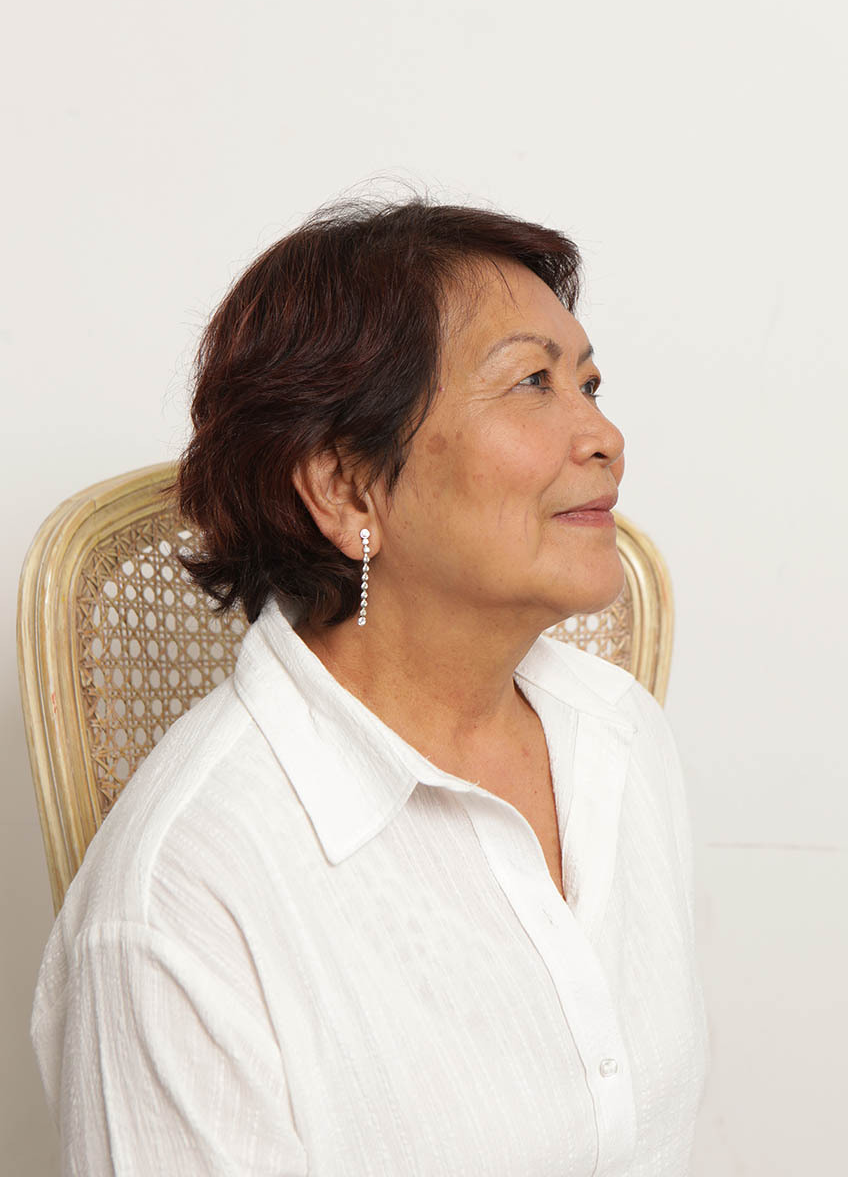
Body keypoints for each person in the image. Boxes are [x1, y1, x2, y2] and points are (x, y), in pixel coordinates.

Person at [31, 194, 709, 1175]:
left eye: (588, 381)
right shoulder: (183, 894)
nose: (603, 434)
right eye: (530, 380)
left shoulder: (618, 734)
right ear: (345, 488)